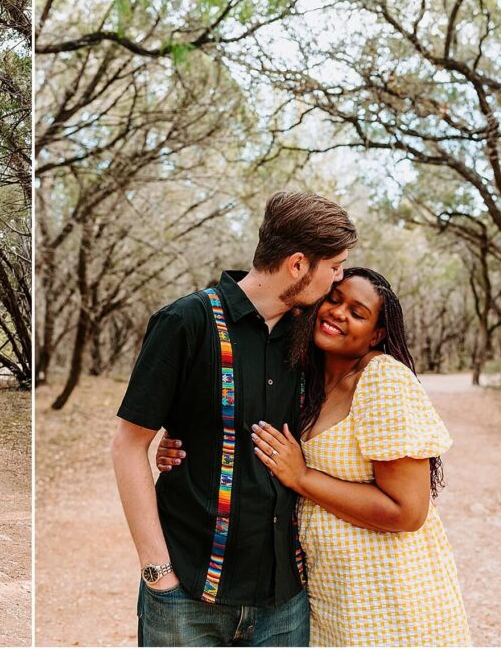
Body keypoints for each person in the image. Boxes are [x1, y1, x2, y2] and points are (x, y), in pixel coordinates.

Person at [159, 268, 471, 645]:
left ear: (377, 334)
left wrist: (303, 477)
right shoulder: (303, 375)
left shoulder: (382, 380)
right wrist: (183, 446)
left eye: (357, 313)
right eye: (334, 299)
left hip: (392, 595)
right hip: (328, 599)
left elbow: (408, 511)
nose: (338, 313)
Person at [111, 190, 358, 647]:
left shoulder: (310, 339)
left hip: (284, 602)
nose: (339, 279)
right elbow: (128, 444)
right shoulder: (186, 322)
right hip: (186, 594)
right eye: (335, 266)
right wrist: (157, 572)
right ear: (299, 264)